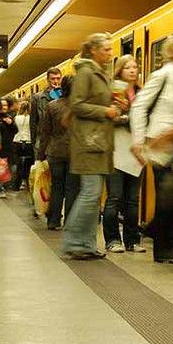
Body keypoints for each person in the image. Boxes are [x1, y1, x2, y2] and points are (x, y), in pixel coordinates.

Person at [132, 34, 173, 264]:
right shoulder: (161, 76)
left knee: (170, 195)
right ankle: (166, 247)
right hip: (159, 145)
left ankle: (160, 238)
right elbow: (139, 106)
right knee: (167, 195)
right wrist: (138, 140)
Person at [62, 33, 119, 260]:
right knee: (90, 194)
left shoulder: (100, 73)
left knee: (94, 198)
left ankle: (86, 244)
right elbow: (76, 105)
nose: (110, 53)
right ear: (93, 50)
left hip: (99, 141)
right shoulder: (86, 73)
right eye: (106, 49)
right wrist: (105, 111)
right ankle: (73, 241)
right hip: (88, 142)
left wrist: (116, 109)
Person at [104, 55, 145, 254]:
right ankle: (112, 240)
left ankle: (132, 240)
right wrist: (129, 119)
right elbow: (108, 119)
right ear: (120, 70)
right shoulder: (112, 92)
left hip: (136, 152)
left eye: (134, 67)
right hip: (116, 151)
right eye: (127, 67)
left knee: (133, 199)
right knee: (114, 197)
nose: (132, 70)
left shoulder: (141, 93)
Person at [38, 74, 78, 231]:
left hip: (55, 152)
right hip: (74, 152)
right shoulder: (79, 107)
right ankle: (70, 222)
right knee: (72, 189)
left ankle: (53, 221)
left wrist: (40, 155)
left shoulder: (52, 105)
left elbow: (45, 132)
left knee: (56, 187)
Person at [30, 68, 62, 158]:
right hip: (42, 141)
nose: (56, 81)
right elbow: (33, 122)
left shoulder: (64, 97)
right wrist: (33, 142)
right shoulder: (38, 98)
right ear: (48, 80)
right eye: (53, 79)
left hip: (59, 141)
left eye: (58, 78)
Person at [0, 98, 17, 198]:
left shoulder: (10, 117)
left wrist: (11, 123)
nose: (4, 107)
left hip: (9, 146)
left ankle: (6, 186)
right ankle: (0, 188)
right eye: (2, 105)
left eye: (5, 105)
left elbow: (15, 130)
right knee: (0, 167)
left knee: (11, 167)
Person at [12, 100, 33, 192]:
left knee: (18, 163)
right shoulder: (31, 118)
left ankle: (17, 184)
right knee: (28, 164)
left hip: (17, 140)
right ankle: (27, 183)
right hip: (28, 141)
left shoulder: (16, 118)